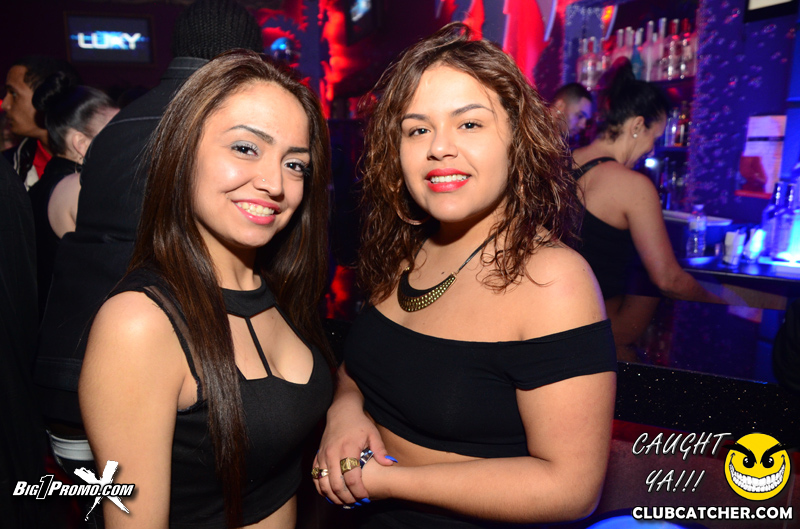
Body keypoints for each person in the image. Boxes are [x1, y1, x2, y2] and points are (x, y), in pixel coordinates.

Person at [313, 23, 617, 528]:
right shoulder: (407, 249)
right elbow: (358, 371)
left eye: (469, 124)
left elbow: (570, 488)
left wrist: (386, 481)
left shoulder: (554, 280)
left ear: (517, 139)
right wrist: (343, 413)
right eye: (417, 130)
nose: (439, 148)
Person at [79, 49, 334, 528]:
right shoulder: (139, 324)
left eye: (295, 164)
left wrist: (347, 415)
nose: (275, 183)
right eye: (245, 148)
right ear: (184, 151)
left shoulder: (281, 287)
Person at [35, 0, 265, 479]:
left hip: (66, 364)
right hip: (149, 374)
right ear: (244, 56)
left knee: (101, 502)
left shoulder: (119, 123)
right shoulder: (218, 127)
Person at [571, 60, 723, 360]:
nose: (652, 149)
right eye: (654, 137)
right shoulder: (634, 186)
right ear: (637, 126)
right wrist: (719, 302)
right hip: (598, 334)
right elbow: (668, 279)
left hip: (550, 321)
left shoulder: (560, 162)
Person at [28, 73, 119, 315]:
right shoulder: (81, 188)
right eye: (115, 131)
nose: (126, 139)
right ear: (81, 143)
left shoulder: (41, 187)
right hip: (78, 325)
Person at [2, 55, 80, 188]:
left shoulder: (98, 157)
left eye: (13, 93)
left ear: (48, 94)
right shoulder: (8, 166)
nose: (5, 105)